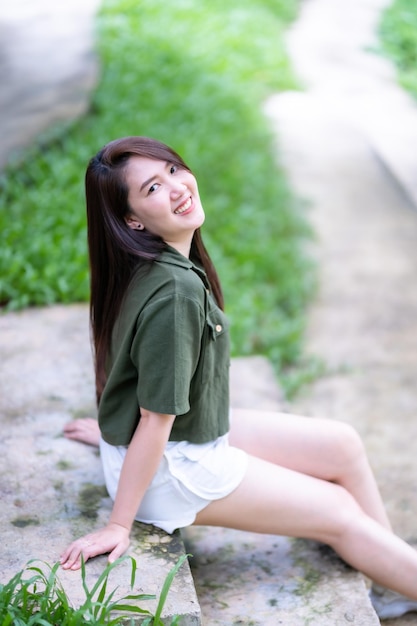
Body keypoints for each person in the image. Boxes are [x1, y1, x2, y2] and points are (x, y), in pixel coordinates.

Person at [61, 136, 417, 620]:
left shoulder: (148, 265)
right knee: (338, 511)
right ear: (133, 220)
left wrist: (108, 433)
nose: (176, 187)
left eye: (171, 170)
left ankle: (393, 578)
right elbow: (155, 418)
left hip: (172, 442)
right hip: (172, 469)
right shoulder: (175, 294)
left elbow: (133, 376)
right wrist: (119, 523)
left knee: (342, 444)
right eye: (152, 187)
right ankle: (399, 575)